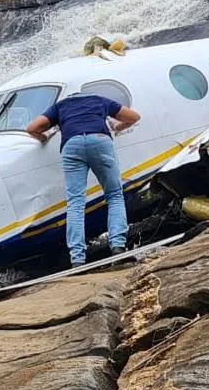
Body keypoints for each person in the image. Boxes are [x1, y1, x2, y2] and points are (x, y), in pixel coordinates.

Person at [26, 94, 141, 267]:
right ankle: (118, 248)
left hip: (72, 145)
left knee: (75, 202)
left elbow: (33, 128)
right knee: (114, 195)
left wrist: (44, 138)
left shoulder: (60, 106)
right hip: (100, 140)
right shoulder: (99, 100)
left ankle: (77, 259)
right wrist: (117, 126)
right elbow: (134, 117)